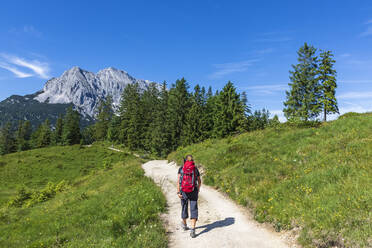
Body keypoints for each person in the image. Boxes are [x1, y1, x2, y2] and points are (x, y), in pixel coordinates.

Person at [177, 154, 201, 238]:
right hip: (193, 191)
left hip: (183, 191)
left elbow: (178, 181)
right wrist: (197, 190)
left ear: (185, 160)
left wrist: (178, 192)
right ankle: (193, 230)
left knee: (184, 207)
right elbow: (199, 181)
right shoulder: (195, 169)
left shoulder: (181, 169)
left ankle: (184, 224)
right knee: (193, 208)